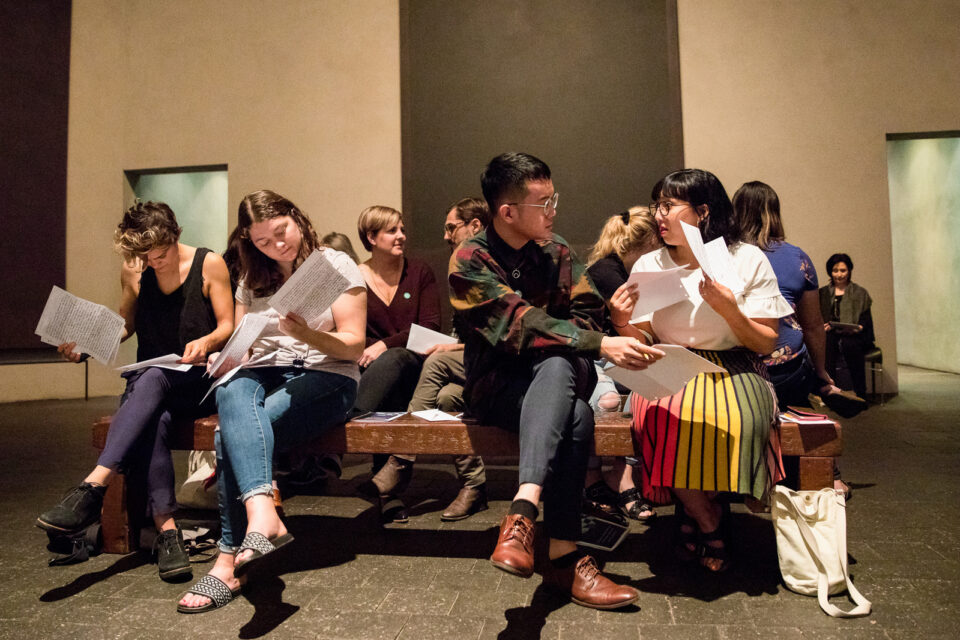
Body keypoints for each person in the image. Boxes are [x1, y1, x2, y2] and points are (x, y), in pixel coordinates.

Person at [450, 152, 662, 609]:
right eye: (543, 203)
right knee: (578, 417)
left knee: (558, 363)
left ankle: (523, 511)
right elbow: (515, 324)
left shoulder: (557, 250)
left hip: (561, 373)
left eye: (554, 199)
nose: (553, 211)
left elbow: (586, 311)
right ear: (507, 212)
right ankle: (565, 557)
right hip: (497, 387)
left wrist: (610, 324)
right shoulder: (469, 260)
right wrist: (598, 343)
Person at [177, 190, 366, 613]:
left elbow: (353, 347)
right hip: (264, 369)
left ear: (296, 218)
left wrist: (305, 334)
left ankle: (227, 561)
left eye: (281, 232)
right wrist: (227, 357)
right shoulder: (250, 275)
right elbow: (245, 342)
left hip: (325, 373)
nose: (277, 245)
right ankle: (263, 510)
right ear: (249, 241)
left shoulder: (333, 264)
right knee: (230, 387)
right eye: (262, 241)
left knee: (230, 438)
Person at [37, 201, 234, 581]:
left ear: (176, 236)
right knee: (153, 413)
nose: (152, 262)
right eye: (144, 256)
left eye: (159, 254)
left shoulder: (209, 264)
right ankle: (168, 531)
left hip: (195, 381)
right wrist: (85, 346)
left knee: (153, 381)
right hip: (151, 383)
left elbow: (227, 324)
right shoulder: (135, 270)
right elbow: (124, 325)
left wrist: (207, 341)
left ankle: (93, 487)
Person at [619, 169, 792, 573]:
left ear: (702, 212)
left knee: (738, 418)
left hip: (734, 363)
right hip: (668, 361)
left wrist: (729, 309)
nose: (658, 215)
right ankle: (708, 518)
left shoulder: (743, 259)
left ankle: (695, 509)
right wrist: (622, 320)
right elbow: (641, 337)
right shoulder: (651, 261)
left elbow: (766, 342)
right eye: (656, 205)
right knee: (659, 418)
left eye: (668, 206)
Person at [733, 181, 864, 496]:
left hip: (738, 370)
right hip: (786, 369)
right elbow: (813, 325)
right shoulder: (796, 258)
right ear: (774, 213)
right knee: (802, 398)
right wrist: (821, 372)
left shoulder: (724, 256)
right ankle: (827, 473)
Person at [354, 205, 442, 523]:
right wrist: (373, 349)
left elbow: (430, 328)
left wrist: (384, 344)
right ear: (371, 237)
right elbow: (349, 332)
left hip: (415, 362)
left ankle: (349, 417)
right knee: (387, 380)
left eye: (402, 229)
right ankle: (387, 490)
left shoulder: (419, 272)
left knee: (397, 360)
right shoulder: (354, 277)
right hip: (369, 369)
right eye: (392, 231)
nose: (401, 236)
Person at [405, 197, 491, 521]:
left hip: (505, 368)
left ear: (475, 226)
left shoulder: (489, 264)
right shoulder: (463, 263)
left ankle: (400, 459)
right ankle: (474, 485)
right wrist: (451, 344)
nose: (445, 236)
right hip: (477, 367)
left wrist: (450, 350)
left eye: (450, 227)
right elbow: (468, 333)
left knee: (438, 363)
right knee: (445, 398)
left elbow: (494, 334)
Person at [582, 206, 662, 522]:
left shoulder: (620, 271)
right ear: (642, 246)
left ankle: (621, 473)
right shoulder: (607, 272)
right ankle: (601, 477)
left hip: (617, 354)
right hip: (595, 356)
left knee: (647, 389)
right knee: (610, 399)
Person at [819, 253, 875, 400]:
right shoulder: (823, 293)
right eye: (835, 270)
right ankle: (830, 391)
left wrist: (858, 328)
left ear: (849, 271)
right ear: (830, 272)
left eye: (843, 270)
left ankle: (860, 392)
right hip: (830, 333)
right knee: (827, 344)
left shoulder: (860, 293)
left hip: (854, 335)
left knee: (851, 345)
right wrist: (822, 326)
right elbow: (817, 318)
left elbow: (865, 322)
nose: (839, 274)